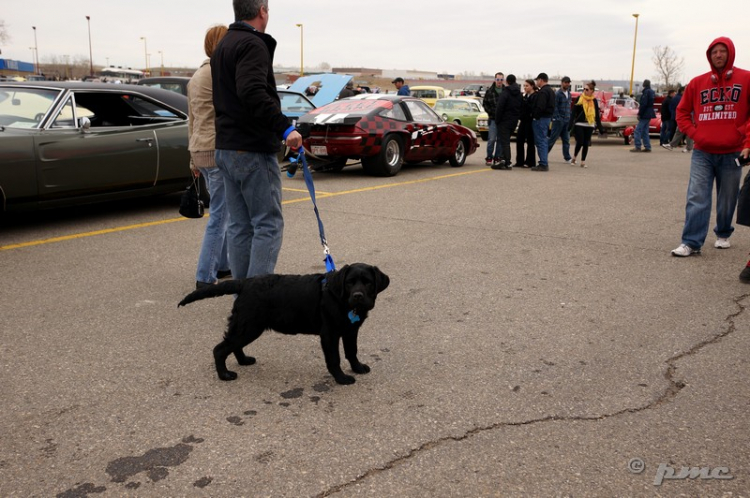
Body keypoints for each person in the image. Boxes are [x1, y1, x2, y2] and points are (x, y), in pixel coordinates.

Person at [211, 0, 303, 278]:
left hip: (226, 147)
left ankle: (244, 297)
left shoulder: (224, 45)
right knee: (268, 224)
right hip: (250, 149)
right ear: (262, 11)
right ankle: (257, 300)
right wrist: (285, 128)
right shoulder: (252, 44)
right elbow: (251, 90)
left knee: (240, 226)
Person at [671, 37, 750, 258]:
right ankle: (691, 242)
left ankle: (723, 233)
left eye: (722, 51)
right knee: (697, 196)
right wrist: (696, 134)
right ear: (709, 55)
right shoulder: (697, 83)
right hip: (702, 152)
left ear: (730, 53)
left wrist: (747, 142)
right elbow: (682, 113)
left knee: (727, 198)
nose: (718, 55)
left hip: (732, 151)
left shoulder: (746, 79)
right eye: (714, 51)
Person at [189, 25, 231, 290]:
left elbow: (191, 120)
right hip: (216, 150)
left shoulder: (196, 75)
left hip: (199, 149)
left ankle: (223, 264)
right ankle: (205, 276)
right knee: (220, 215)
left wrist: (191, 160)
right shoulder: (219, 74)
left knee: (222, 211)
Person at [569, 80, 605, 168]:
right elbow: (573, 112)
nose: (585, 91)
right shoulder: (579, 99)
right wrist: (570, 124)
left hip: (589, 124)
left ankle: (583, 161)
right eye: (584, 89)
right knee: (580, 142)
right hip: (579, 124)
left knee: (586, 143)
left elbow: (596, 114)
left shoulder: (594, 101)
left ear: (592, 91)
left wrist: (600, 128)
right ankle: (574, 157)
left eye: (587, 89)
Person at [491, 74, 522, 170]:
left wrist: (497, 120)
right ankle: (503, 159)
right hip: (514, 121)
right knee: (506, 140)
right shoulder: (519, 93)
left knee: (505, 142)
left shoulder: (505, 93)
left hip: (504, 121)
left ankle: (507, 162)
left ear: (507, 81)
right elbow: (520, 107)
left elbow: (500, 108)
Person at [531, 72, 555, 171]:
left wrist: (534, 116)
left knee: (541, 141)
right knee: (544, 139)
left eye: (537, 80)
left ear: (541, 80)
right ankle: (543, 162)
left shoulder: (543, 92)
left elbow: (540, 107)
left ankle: (543, 163)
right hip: (548, 118)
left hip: (541, 119)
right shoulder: (551, 91)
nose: (536, 82)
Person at [547, 76, 573, 163]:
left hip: (567, 120)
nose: (567, 84)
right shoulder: (558, 94)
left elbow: (569, 106)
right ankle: (544, 154)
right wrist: (558, 118)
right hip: (558, 121)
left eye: (568, 82)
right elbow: (555, 107)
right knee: (552, 139)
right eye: (565, 82)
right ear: (562, 83)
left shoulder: (569, 94)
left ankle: (567, 157)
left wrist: (570, 116)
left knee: (566, 140)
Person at [482, 72, 504, 166]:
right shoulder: (489, 91)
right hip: (493, 119)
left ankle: (497, 157)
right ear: (495, 80)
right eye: (498, 79)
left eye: (501, 80)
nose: (499, 82)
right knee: (491, 139)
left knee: (500, 140)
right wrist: (491, 112)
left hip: (502, 120)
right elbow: (485, 104)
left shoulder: (505, 91)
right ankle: (489, 157)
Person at [514, 79, 537, 168]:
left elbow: (532, 108)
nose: (525, 87)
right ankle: (519, 161)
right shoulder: (524, 96)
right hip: (523, 120)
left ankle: (530, 161)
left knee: (530, 142)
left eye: (527, 86)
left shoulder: (535, 96)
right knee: (519, 140)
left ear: (532, 86)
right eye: (524, 86)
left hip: (530, 121)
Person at [630, 79, 655, 152]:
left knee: (637, 130)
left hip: (645, 114)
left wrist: (639, 114)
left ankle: (638, 146)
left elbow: (643, 104)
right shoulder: (651, 92)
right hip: (650, 113)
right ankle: (647, 147)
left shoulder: (645, 93)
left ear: (644, 85)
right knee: (645, 131)